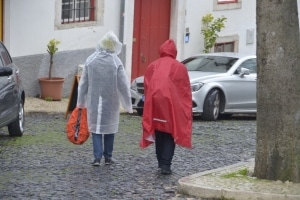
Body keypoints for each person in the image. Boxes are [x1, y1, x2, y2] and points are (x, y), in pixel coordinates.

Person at [77, 31, 133, 166]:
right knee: (109, 128)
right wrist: (128, 103)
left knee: (96, 128)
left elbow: (83, 83)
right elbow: (123, 84)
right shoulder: (115, 62)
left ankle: (97, 157)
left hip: (94, 100)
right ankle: (108, 156)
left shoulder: (91, 60)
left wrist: (80, 102)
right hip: (111, 100)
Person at [140, 39, 192, 175]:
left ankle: (160, 161)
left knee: (158, 131)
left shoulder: (153, 66)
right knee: (169, 132)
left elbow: (147, 85)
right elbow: (184, 89)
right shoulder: (180, 67)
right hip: (171, 105)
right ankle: (166, 164)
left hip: (155, 103)